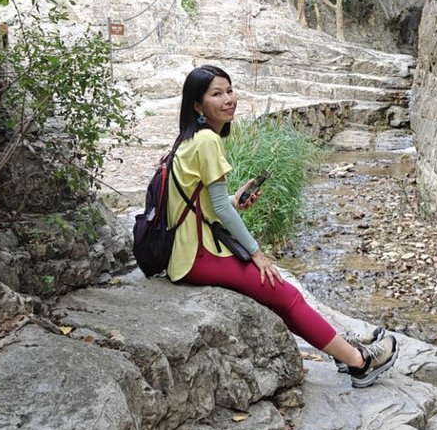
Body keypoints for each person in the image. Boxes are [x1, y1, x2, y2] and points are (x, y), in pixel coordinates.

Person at [164, 64, 398, 388]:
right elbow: (215, 206)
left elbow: (207, 203)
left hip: (190, 250)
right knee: (285, 294)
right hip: (198, 255)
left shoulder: (189, 139)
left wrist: (234, 202)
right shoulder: (206, 141)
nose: (228, 99)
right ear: (197, 105)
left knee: (281, 297)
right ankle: (360, 363)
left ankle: (342, 354)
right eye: (216, 94)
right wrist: (257, 253)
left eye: (229, 90)